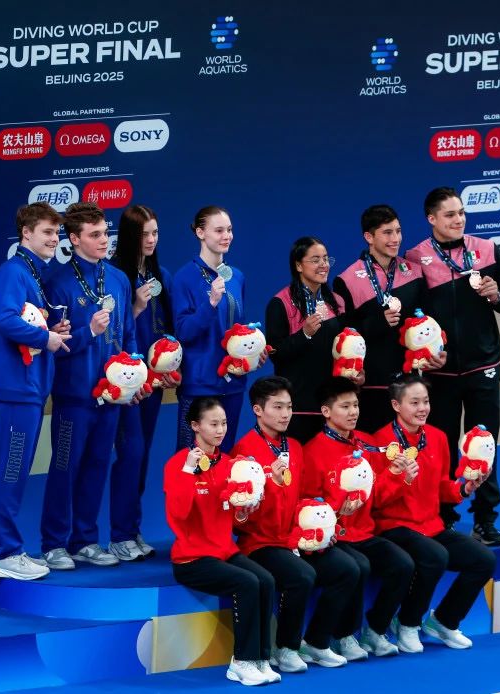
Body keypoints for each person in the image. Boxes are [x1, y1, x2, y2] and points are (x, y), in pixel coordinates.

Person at [405, 187, 500, 546]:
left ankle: (485, 520)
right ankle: (444, 519)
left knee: (484, 445)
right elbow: (411, 320)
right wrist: (422, 355)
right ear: (432, 219)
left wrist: (495, 294)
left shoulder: (487, 250)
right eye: (450, 214)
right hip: (439, 373)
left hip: (482, 365)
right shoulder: (415, 258)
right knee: (440, 449)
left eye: (462, 213)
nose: (459, 219)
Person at [232, 376, 362, 671]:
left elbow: (304, 498)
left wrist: (320, 528)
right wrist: (272, 482)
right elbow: (242, 516)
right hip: (261, 543)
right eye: (277, 407)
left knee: (348, 569)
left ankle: (316, 642)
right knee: (302, 576)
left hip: (294, 539)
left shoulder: (294, 447)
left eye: (289, 407)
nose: (285, 414)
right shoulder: (244, 451)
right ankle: (286, 648)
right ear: (258, 410)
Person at [40, 202, 139, 570]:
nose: (103, 241)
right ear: (74, 239)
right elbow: (55, 343)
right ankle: (53, 544)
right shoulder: (57, 283)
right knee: (65, 467)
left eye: (105, 233)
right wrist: (89, 332)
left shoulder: (118, 279)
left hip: (111, 395)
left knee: (98, 464)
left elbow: (128, 333)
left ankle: (85, 540)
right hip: (74, 395)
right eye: (94, 235)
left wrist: (135, 373)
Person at [373, 373, 495, 653]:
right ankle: (407, 623)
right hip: (394, 526)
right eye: (414, 402)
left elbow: (442, 487)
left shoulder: (438, 437)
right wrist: (401, 479)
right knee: (435, 556)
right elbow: (376, 500)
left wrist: (465, 488)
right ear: (396, 405)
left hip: (431, 525)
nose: (422, 408)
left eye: (425, 402)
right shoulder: (382, 442)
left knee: (484, 560)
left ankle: (443, 621)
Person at [0, 202, 71, 580]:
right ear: (26, 234)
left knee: (15, 471)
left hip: (28, 389)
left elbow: (24, 321)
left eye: (56, 233)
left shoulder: (30, 273)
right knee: (11, 470)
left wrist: (50, 332)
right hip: (16, 389)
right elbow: (4, 320)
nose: (54, 239)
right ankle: (2, 552)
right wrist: (45, 338)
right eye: (47, 232)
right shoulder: (13, 271)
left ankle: (8, 549)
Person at [165, 397, 280, 686]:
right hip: (192, 559)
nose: (220, 430)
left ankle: (261, 658)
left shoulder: (230, 464)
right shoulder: (178, 464)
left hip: (224, 551)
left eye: (224, 423)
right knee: (247, 583)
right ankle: (241, 661)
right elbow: (177, 514)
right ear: (195, 426)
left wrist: (244, 511)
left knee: (266, 580)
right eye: (213, 424)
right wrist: (188, 472)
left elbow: (234, 518)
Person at [302, 376, 416, 657]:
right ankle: (343, 636)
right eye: (345, 406)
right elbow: (308, 505)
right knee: (358, 567)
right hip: (334, 537)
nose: (353, 412)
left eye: (355, 405)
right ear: (326, 411)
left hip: (364, 532)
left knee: (403, 564)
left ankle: (374, 630)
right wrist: (336, 510)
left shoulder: (367, 443)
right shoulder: (312, 451)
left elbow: (377, 498)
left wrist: (397, 476)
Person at [334, 205, 439, 434]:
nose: (396, 239)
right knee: (377, 448)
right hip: (372, 385)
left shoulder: (414, 271)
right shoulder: (347, 280)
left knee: (413, 449)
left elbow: (430, 320)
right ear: (369, 237)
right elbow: (343, 337)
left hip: (411, 383)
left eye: (398, 231)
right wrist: (377, 323)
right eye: (387, 233)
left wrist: (437, 351)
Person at [109, 204, 176, 561]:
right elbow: (114, 332)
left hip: (153, 384)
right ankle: (119, 534)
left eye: (155, 233)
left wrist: (170, 362)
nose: (151, 240)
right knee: (130, 453)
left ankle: (131, 530)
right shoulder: (115, 275)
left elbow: (168, 329)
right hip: (125, 384)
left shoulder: (160, 274)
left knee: (143, 454)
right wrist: (135, 306)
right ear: (129, 236)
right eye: (144, 234)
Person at [172, 206, 261, 453]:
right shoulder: (184, 278)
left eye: (229, 230)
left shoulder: (237, 277)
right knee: (191, 459)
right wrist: (210, 304)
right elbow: (183, 332)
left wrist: (253, 352)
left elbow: (238, 328)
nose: (227, 236)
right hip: (199, 385)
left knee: (224, 457)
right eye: (219, 230)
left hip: (233, 384)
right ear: (200, 233)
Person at [266, 236, 353, 443]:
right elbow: (276, 354)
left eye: (326, 259)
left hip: (331, 405)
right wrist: (304, 334)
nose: (323, 265)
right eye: (315, 260)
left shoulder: (337, 302)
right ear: (298, 265)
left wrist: (353, 369)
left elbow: (344, 348)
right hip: (298, 406)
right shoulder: (281, 303)